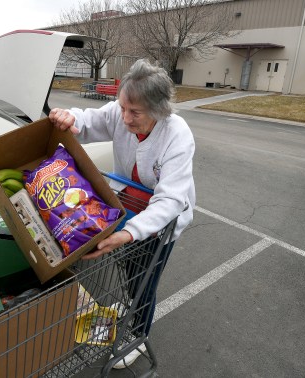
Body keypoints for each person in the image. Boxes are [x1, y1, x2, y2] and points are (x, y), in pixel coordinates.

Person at [49, 59, 196, 369]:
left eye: (135, 113)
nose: (125, 118)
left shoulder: (177, 135)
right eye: (123, 108)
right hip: (126, 206)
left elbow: (170, 200)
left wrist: (127, 233)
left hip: (158, 223)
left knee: (145, 278)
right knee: (128, 270)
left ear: (158, 111)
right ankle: (129, 301)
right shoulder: (121, 112)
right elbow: (88, 121)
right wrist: (68, 116)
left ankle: (139, 334)